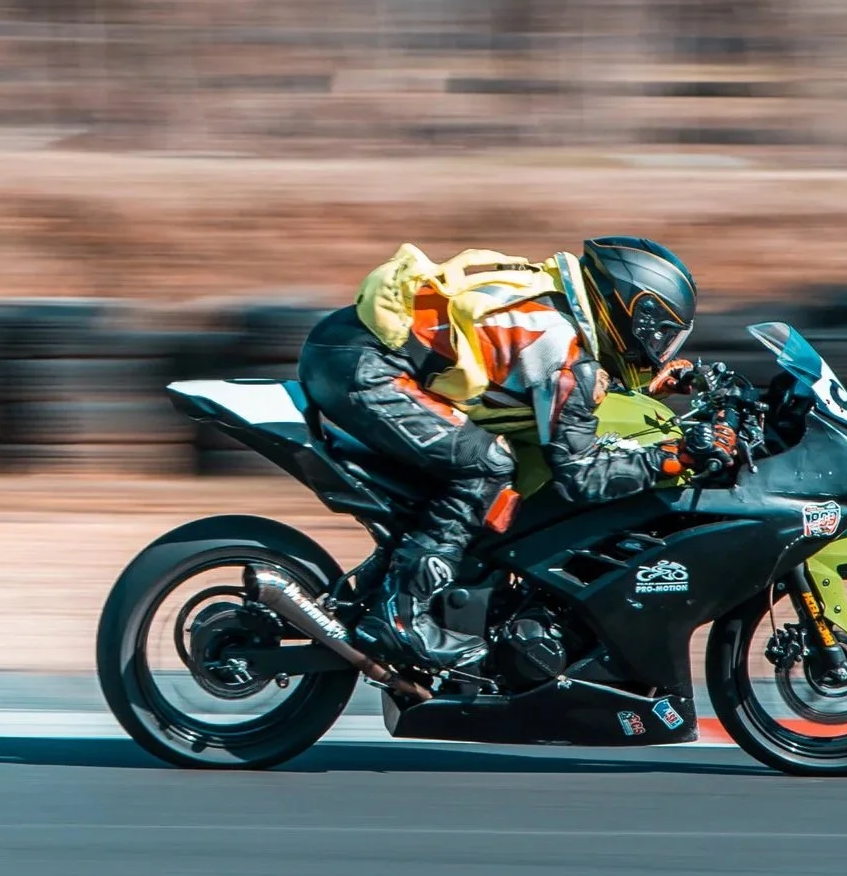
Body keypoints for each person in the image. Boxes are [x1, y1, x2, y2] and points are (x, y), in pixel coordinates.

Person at [297, 236, 737, 673]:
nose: (660, 348)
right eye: (658, 335)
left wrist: (657, 382)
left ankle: (396, 587)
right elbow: (580, 475)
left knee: (480, 465)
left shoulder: (557, 306)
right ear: (629, 312)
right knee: (487, 465)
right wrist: (675, 457)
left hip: (356, 348)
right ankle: (400, 618)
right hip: (368, 368)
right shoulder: (563, 347)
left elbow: (544, 381)